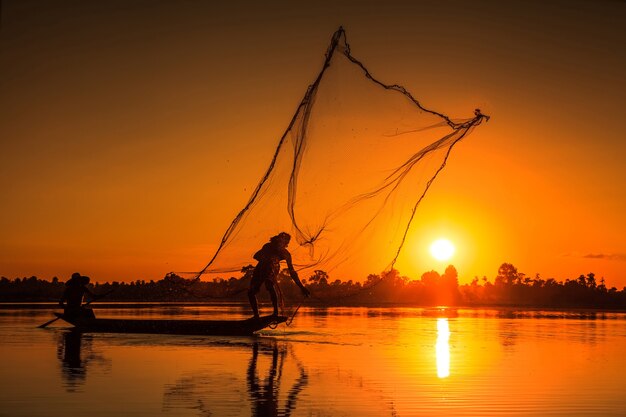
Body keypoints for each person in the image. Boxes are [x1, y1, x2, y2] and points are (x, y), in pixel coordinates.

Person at [248, 232, 310, 318]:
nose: (283, 243)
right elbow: (256, 256)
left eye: (285, 242)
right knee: (251, 292)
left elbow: (292, 272)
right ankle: (256, 315)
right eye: (282, 241)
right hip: (261, 267)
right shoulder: (268, 246)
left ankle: (275, 313)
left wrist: (301, 287)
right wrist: (266, 259)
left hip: (273, 268)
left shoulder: (286, 254)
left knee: (270, 285)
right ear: (277, 240)